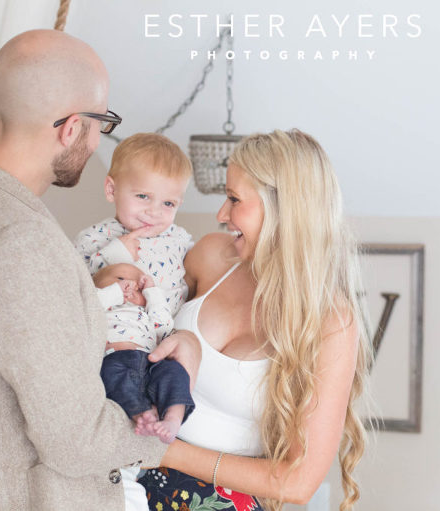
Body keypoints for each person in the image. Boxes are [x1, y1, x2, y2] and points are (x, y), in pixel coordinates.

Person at [0, 30, 199, 510]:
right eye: (102, 123)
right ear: (72, 128)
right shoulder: (20, 239)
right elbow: (78, 441)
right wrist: (170, 419)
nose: (98, 141)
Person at [139, 129, 372, 511]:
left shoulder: (330, 320)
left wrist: (162, 452)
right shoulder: (210, 257)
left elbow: (297, 482)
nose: (221, 215)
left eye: (234, 199)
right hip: (127, 484)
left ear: (284, 209)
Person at [74, 132, 194, 441]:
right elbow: (81, 292)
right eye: (143, 196)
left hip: (160, 348)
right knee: (117, 381)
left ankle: (171, 420)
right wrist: (115, 254)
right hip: (118, 346)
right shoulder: (94, 239)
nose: (155, 212)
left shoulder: (179, 239)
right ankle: (140, 415)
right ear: (112, 189)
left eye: (168, 203)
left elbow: (194, 281)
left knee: (176, 377)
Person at [94, 262, 194, 443]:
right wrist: (115, 293)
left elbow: (164, 328)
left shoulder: (145, 313)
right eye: (121, 279)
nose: (132, 285)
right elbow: (90, 304)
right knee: (109, 375)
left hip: (150, 361)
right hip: (115, 359)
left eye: (140, 288)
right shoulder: (99, 306)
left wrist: (152, 294)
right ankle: (142, 414)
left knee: (176, 371)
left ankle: (173, 419)